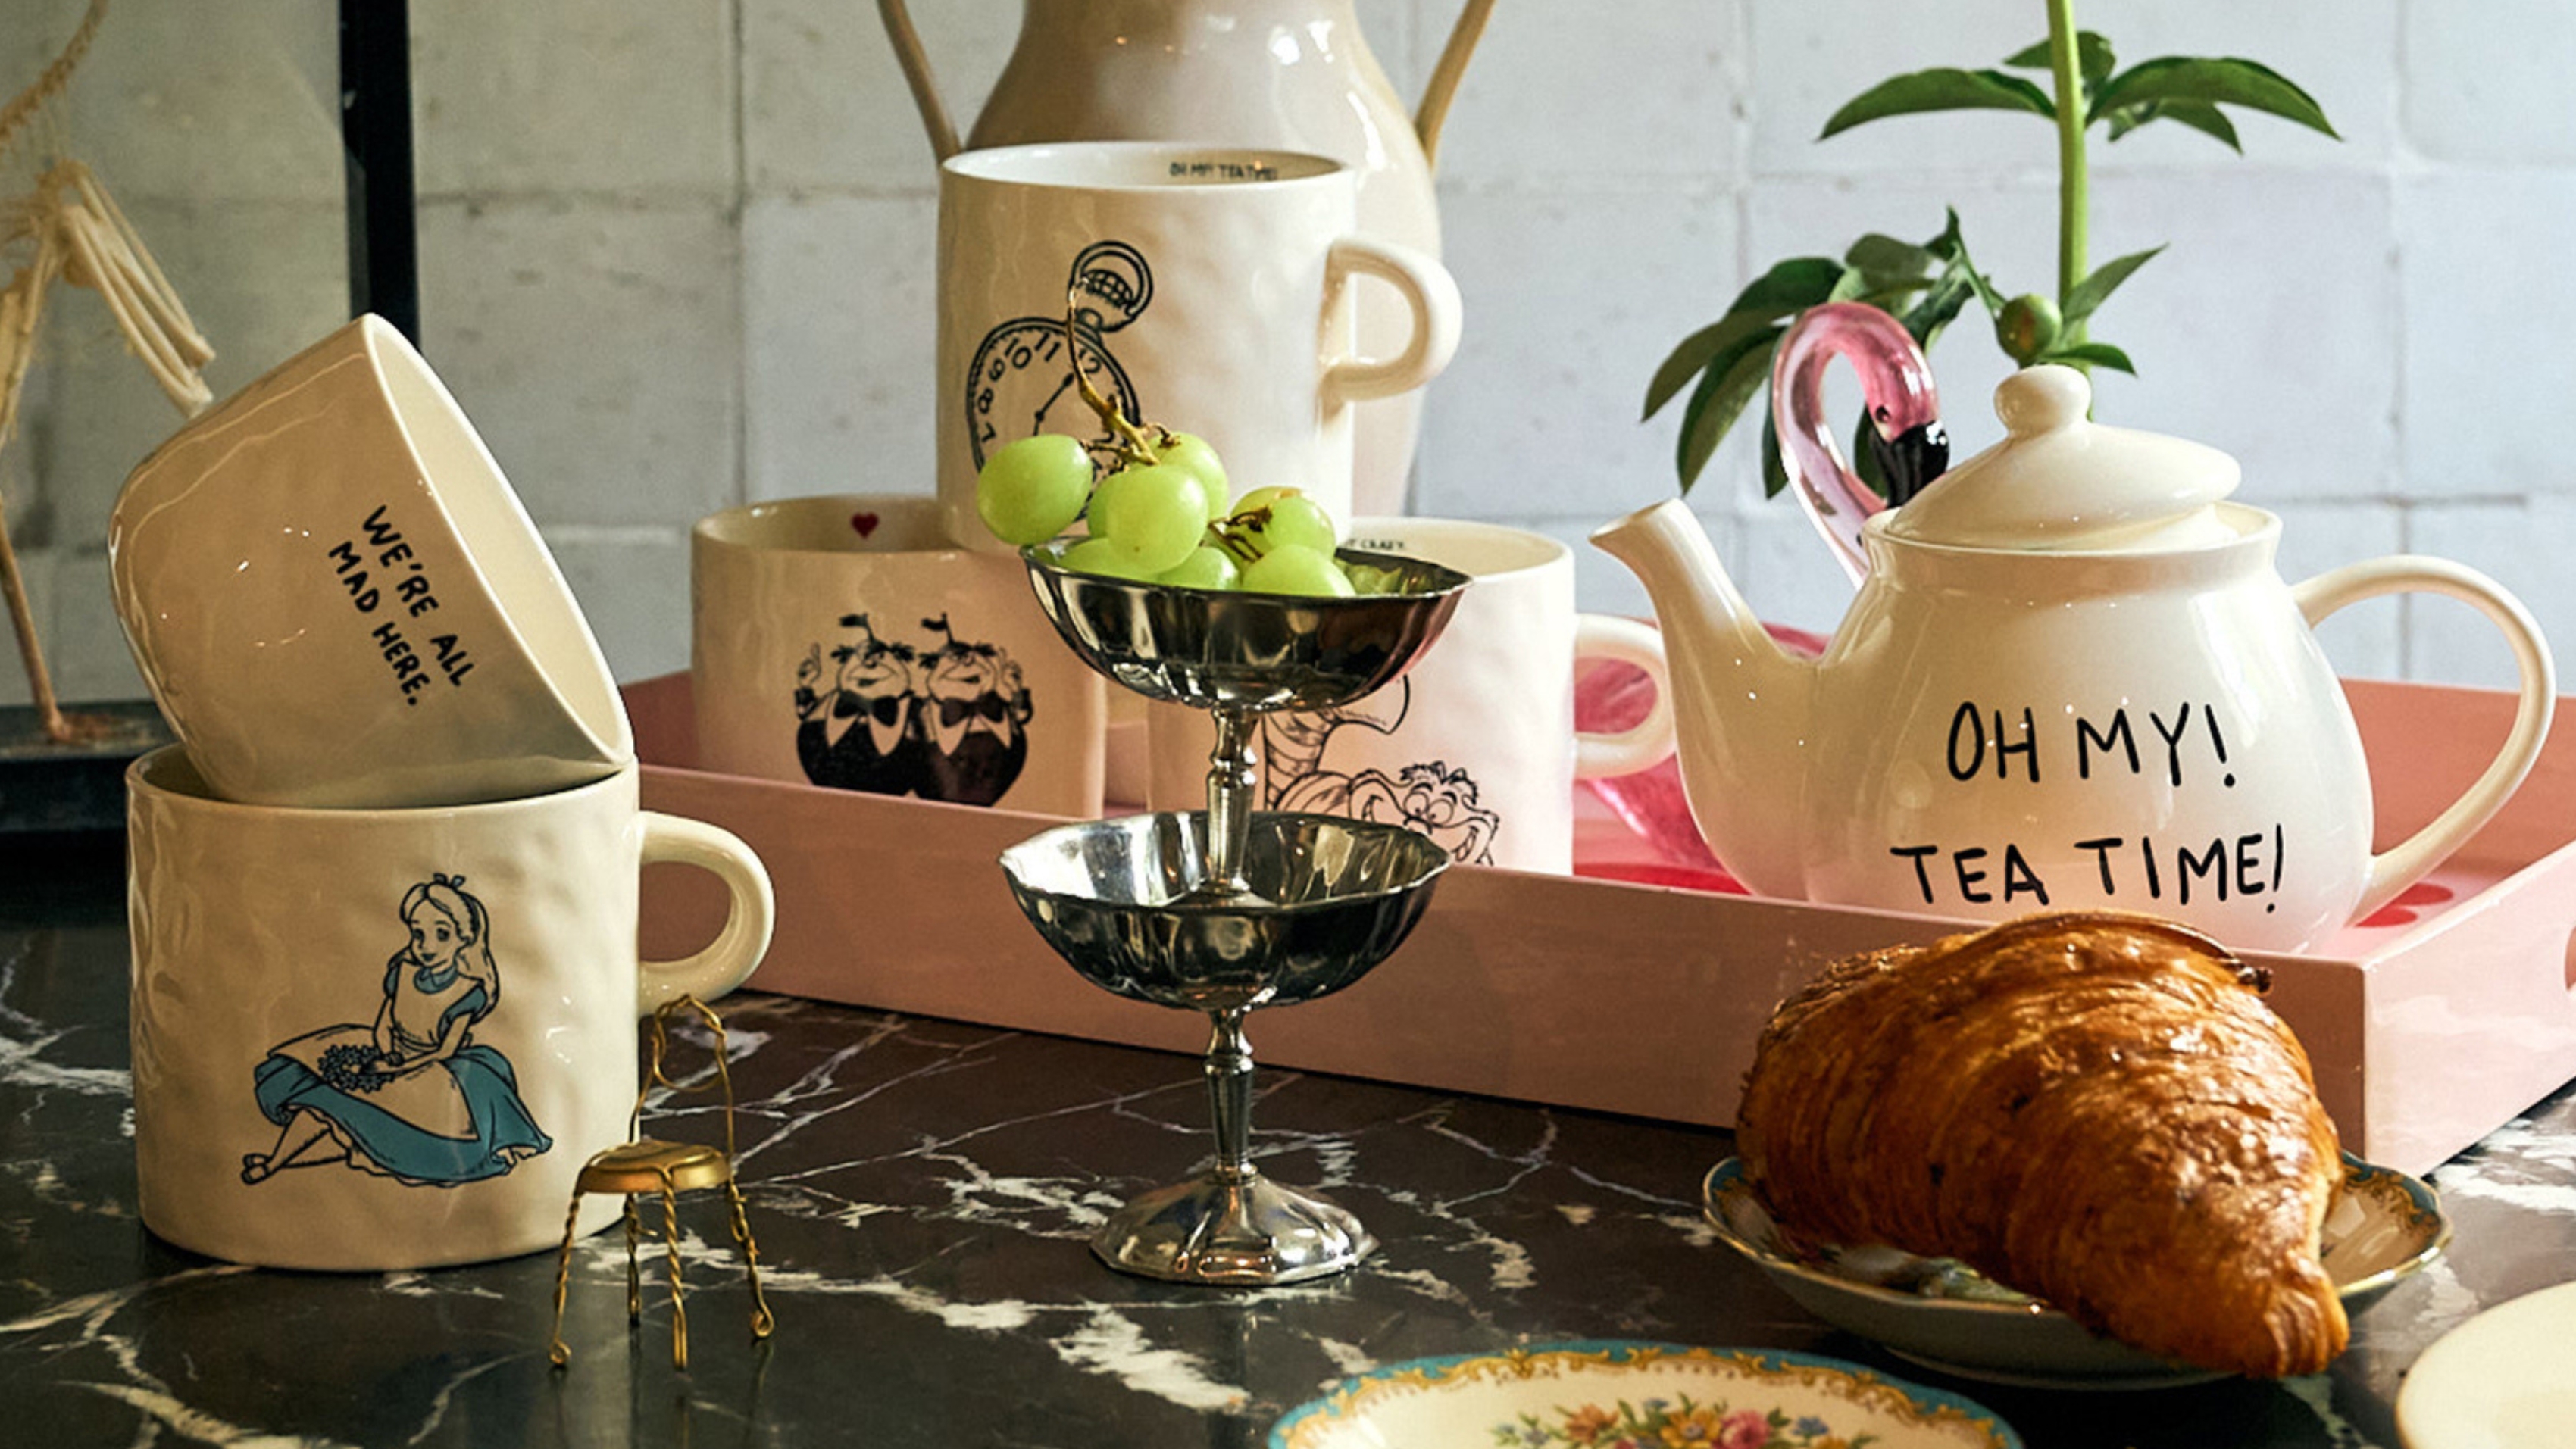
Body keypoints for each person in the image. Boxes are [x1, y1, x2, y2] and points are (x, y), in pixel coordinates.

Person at [242, 874, 551, 1186]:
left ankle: (279, 1163)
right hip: (391, 1053)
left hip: (435, 1069)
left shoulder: (467, 991)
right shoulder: (404, 972)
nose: (426, 945)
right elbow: (384, 1022)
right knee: (323, 1101)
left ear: (464, 938)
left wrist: (399, 1067)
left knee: (376, 1128)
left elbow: (445, 1050)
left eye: (441, 935)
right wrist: (383, 1052)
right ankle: (275, 1162)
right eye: (419, 934)